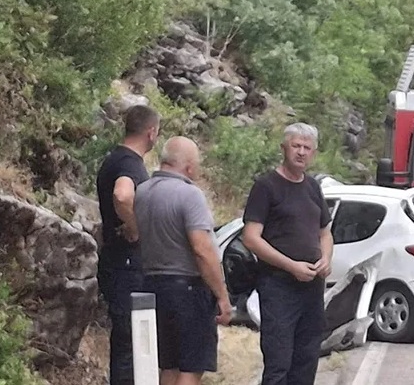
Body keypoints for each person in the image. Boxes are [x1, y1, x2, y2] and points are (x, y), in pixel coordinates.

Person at [134, 136, 234, 385]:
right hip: (188, 290)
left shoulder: (143, 192)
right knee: (191, 366)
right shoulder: (190, 195)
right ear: (189, 167)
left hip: (153, 286)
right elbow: (202, 250)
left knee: (169, 365)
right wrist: (221, 294)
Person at [242, 123, 334, 385]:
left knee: (306, 359)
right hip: (278, 287)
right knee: (279, 361)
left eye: (307, 148)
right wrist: (291, 266)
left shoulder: (313, 188)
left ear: (314, 153)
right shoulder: (266, 186)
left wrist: (326, 259)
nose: (301, 152)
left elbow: (325, 232)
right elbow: (251, 238)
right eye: (296, 146)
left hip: (312, 288)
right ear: (284, 148)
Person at [95, 104, 160, 385]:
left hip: (116, 259)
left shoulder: (115, 159)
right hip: (126, 263)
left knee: (126, 340)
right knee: (130, 341)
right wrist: (136, 228)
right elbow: (122, 196)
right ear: (152, 132)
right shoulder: (128, 163)